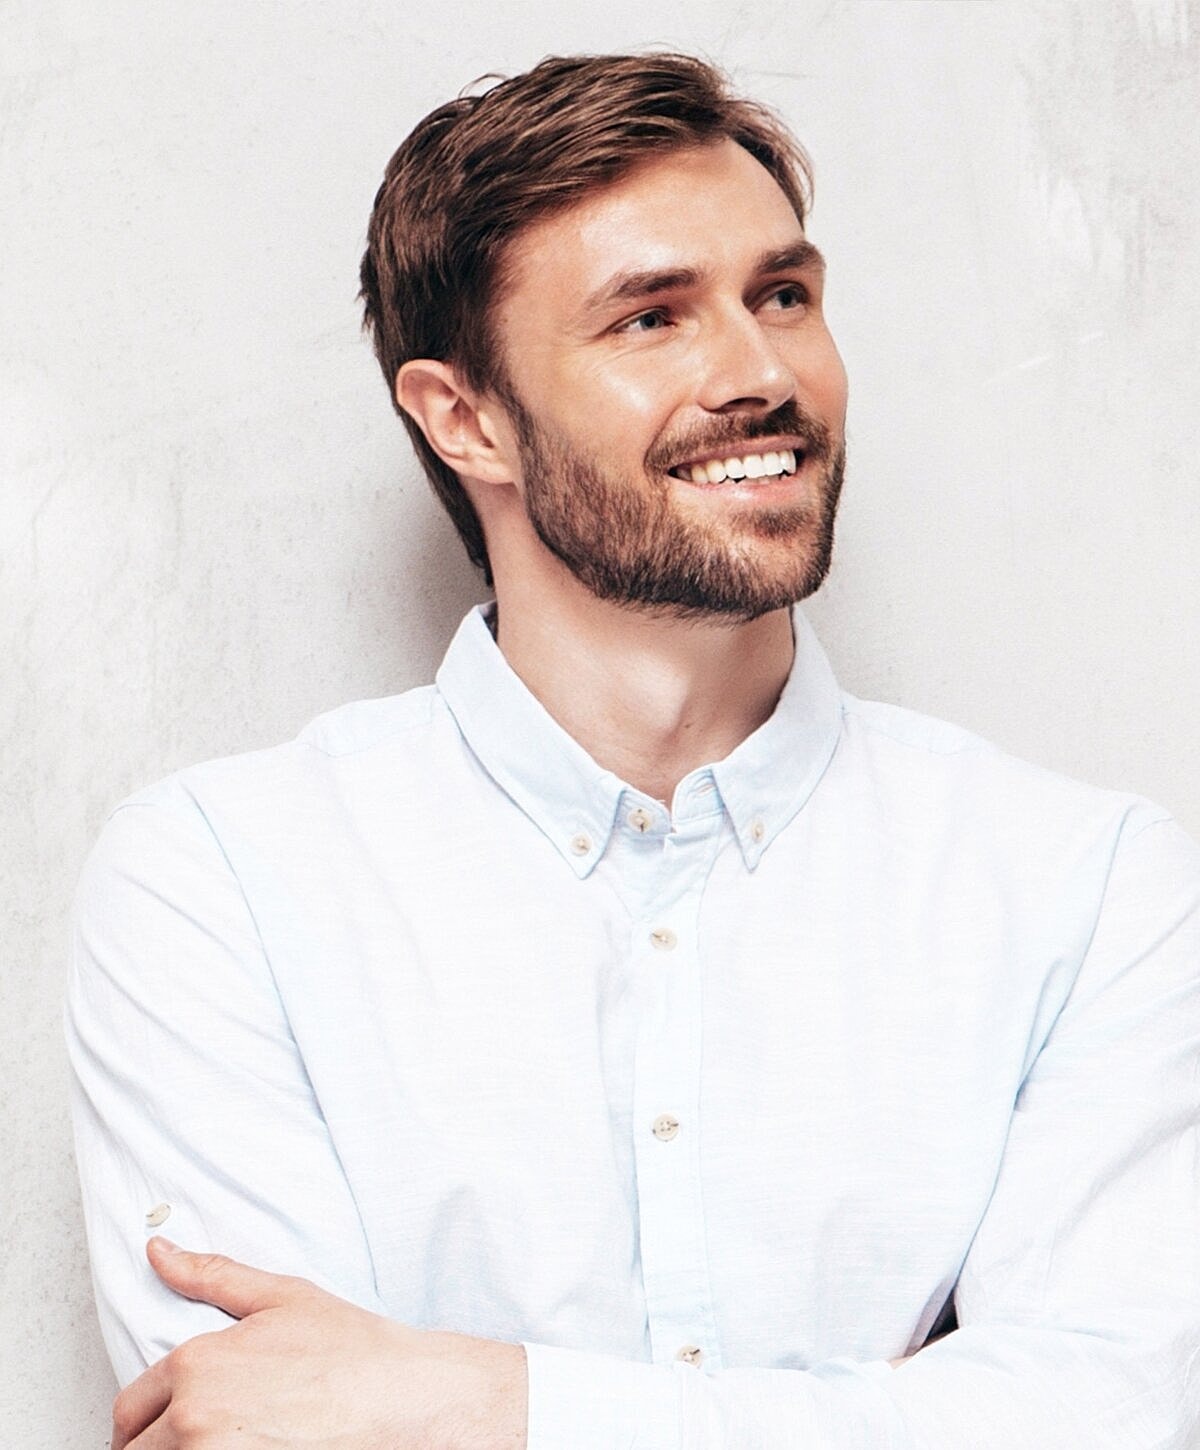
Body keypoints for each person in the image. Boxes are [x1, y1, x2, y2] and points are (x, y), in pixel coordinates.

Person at [67, 52, 1200, 1450]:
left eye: (781, 296)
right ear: (466, 417)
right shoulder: (219, 884)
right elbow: (257, 1427)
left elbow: (1118, 1413)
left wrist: (490, 1403)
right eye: (651, 317)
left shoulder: (1088, 889)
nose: (762, 372)